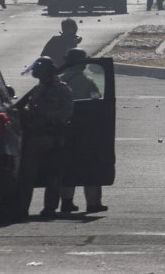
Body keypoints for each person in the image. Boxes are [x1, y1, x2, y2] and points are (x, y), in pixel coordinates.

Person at [18, 57, 75, 219]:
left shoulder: (62, 90)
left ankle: (50, 209)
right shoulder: (38, 89)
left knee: (53, 175)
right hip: (34, 138)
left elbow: (66, 113)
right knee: (27, 176)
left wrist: (44, 116)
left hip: (52, 138)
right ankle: (22, 208)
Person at [59, 48, 106, 214]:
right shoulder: (87, 82)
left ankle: (66, 202)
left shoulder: (60, 79)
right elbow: (98, 101)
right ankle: (93, 203)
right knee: (90, 168)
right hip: (85, 131)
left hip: (64, 130)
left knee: (67, 168)